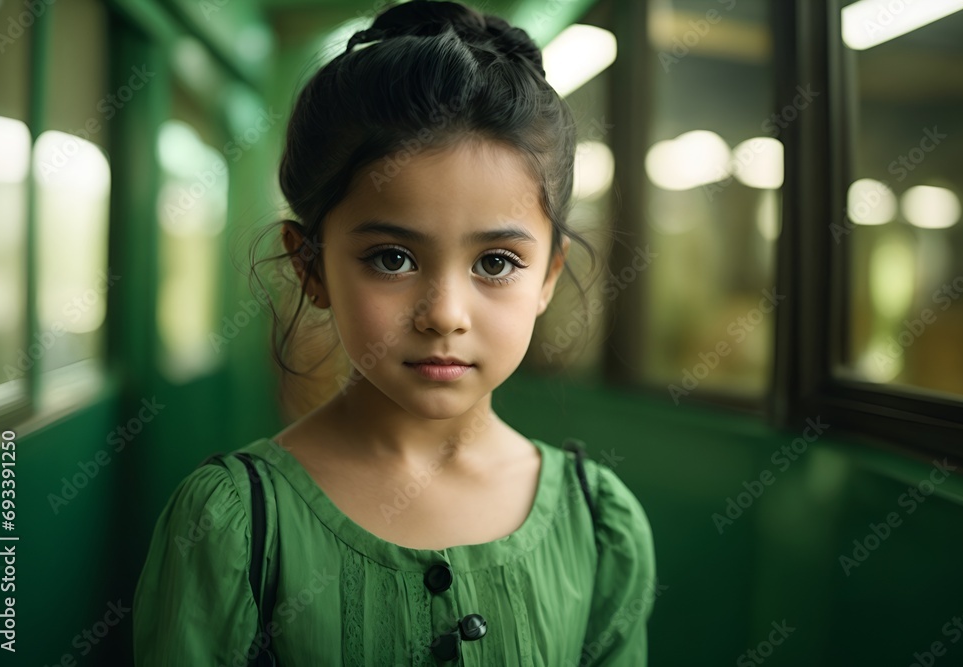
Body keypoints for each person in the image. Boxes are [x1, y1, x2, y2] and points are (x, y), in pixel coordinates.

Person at [132, 1, 656, 664]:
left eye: (495, 262)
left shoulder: (599, 526)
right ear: (311, 265)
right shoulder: (233, 525)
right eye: (392, 257)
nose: (444, 313)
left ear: (549, 274)